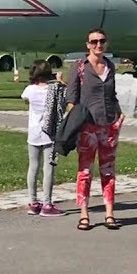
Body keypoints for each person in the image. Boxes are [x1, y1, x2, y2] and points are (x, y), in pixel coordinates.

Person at [65, 28, 125, 230]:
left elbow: (112, 94)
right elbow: (71, 98)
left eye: (102, 41)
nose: (98, 45)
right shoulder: (79, 67)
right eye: (94, 42)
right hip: (87, 126)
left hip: (109, 125)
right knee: (85, 171)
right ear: (87, 44)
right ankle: (84, 214)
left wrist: (119, 114)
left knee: (108, 171)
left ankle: (109, 213)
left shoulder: (110, 66)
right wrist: (74, 123)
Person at [21, 60, 65, 217]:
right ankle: (47, 203)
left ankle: (33, 202)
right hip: (50, 133)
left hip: (33, 133)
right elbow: (64, 101)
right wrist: (60, 81)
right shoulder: (54, 89)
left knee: (33, 167)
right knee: (49, 169)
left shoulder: (29, 90)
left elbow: (25, 100)